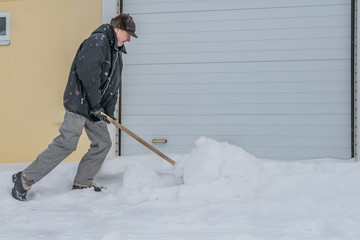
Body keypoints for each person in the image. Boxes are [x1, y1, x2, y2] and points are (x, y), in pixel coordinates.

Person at [11, 13, 138, 201]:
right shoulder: (98, 42)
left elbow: (113, 86)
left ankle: (83, 182)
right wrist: (95, 105)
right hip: (79, 104)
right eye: (128, 34)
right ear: (117, 29)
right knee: (67, 143)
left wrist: (108, 110)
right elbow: (87, 74)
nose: (129, 39)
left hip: (95, 108)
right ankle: (24, 179)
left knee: (103, 143)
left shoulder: (116, 53)